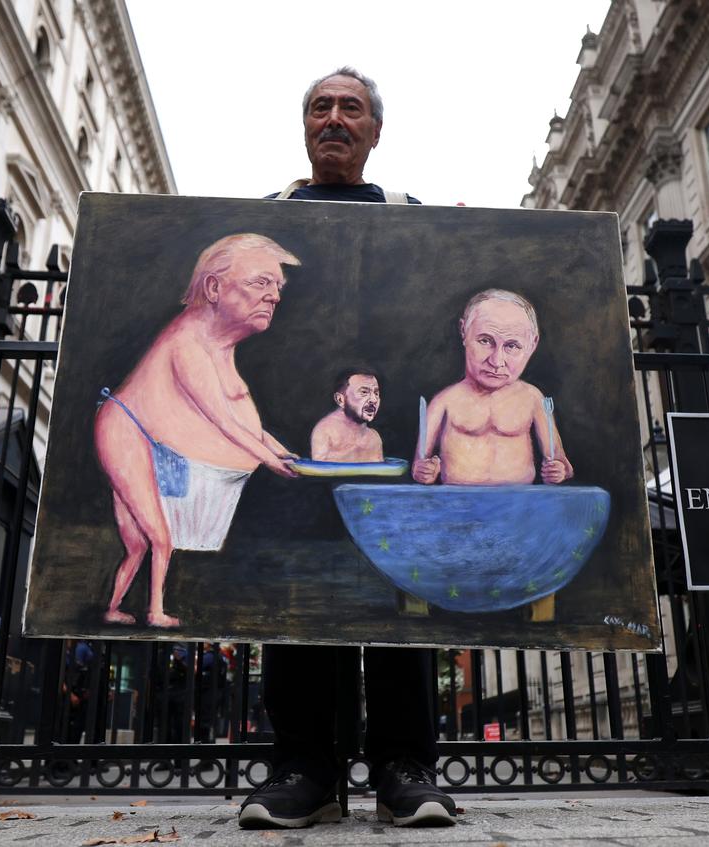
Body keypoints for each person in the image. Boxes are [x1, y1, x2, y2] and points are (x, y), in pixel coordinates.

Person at [238, 67, 456, 831]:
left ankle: (404, 767)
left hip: (392, 433)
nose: (334, 117)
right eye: (320, 106)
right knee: (301, 597)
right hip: (292, 429)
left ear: (375, 130)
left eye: (350, 107)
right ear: (305, 126)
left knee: (398, 595)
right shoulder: (261, 220)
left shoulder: (411, 216)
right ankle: (305, 767)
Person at [94, 234, 301, 628]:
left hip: (140, 436)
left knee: (137, 543)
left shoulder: (220, 345)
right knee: (159, 537)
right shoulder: (187, 341)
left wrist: (279, 450)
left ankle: (113, 608)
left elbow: (244, 420)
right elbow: (222, 419)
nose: (274, 296)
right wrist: (270, 459)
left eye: (277, 286)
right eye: (261, 282)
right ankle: (155, 611)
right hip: (124, 433)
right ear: (214, 287)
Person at [413, 289, 574, 486]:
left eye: (512, 346)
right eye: (485, 341)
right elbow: (419, 465)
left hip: (520, 502)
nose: (497, 361)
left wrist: (559, 470)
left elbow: (562, 462)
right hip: (458, 502)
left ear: (532, 344)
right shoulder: (444, 401)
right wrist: (425, 471)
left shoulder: (533, 399)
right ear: (464, 331)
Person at [310, 368, 384, 462]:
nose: (374, 400)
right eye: (364, 392)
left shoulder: (374, 438)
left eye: (376, 393)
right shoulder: (326, 432)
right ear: (340, 399)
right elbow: (318, 469)